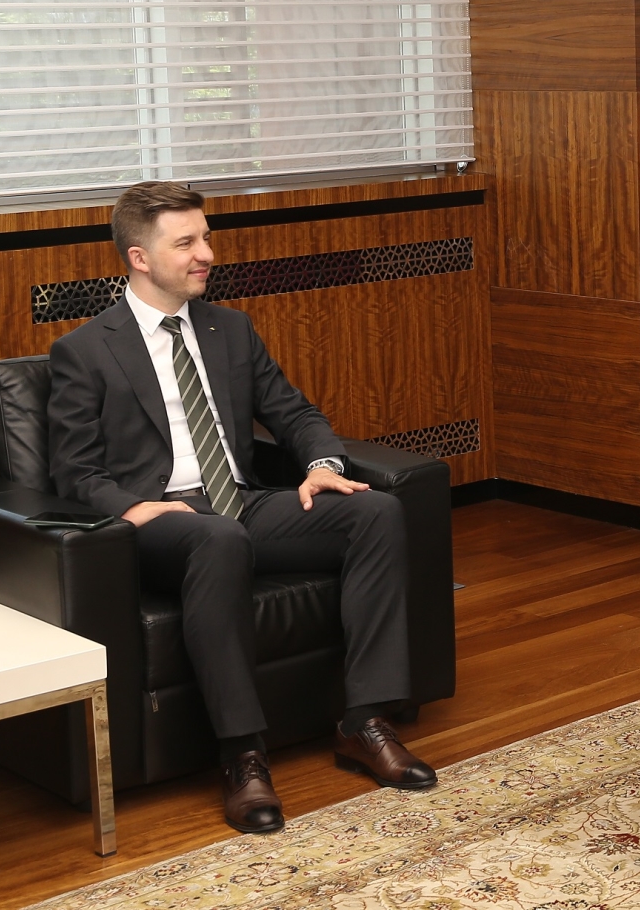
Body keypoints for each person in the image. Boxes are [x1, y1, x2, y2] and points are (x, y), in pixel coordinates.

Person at [47, 181, 436, 835]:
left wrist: (323, 466)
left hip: (240, 502)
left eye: (205, 237)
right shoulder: (86, 350)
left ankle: (364, 720)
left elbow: (294, 413)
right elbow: (74, 470)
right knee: (215, 538)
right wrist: (131, 509)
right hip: (164, 522)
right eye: (187, 243)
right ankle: (242, 755)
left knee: (375, 512)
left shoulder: (229, 328)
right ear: (140, 257)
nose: (206, 253)